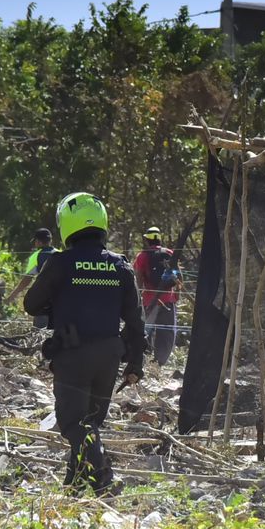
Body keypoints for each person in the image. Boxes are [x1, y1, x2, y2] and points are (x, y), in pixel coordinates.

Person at [23, 192, 145, 495]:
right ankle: (76, 484)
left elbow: (31, 304)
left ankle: (104, 475)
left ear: (66, 224)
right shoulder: (120, 266)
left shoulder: (60, 263)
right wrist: (136, 363)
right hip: (109, 354)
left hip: (73, 354)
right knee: (90, 421)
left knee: (73, 423)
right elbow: (136, 319)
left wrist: (57, 304)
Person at [132, 226, 180, 369]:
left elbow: (139, 280)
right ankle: (159, 365)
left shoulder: (142, 256)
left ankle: (143, 364)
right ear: (160, 239)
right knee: (166, 334)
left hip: (149, 302)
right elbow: (179, 277)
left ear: (146, 240)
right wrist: (176, 296)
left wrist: (138, 298)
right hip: (168, 301)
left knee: (146, 332)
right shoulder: (170, 253)